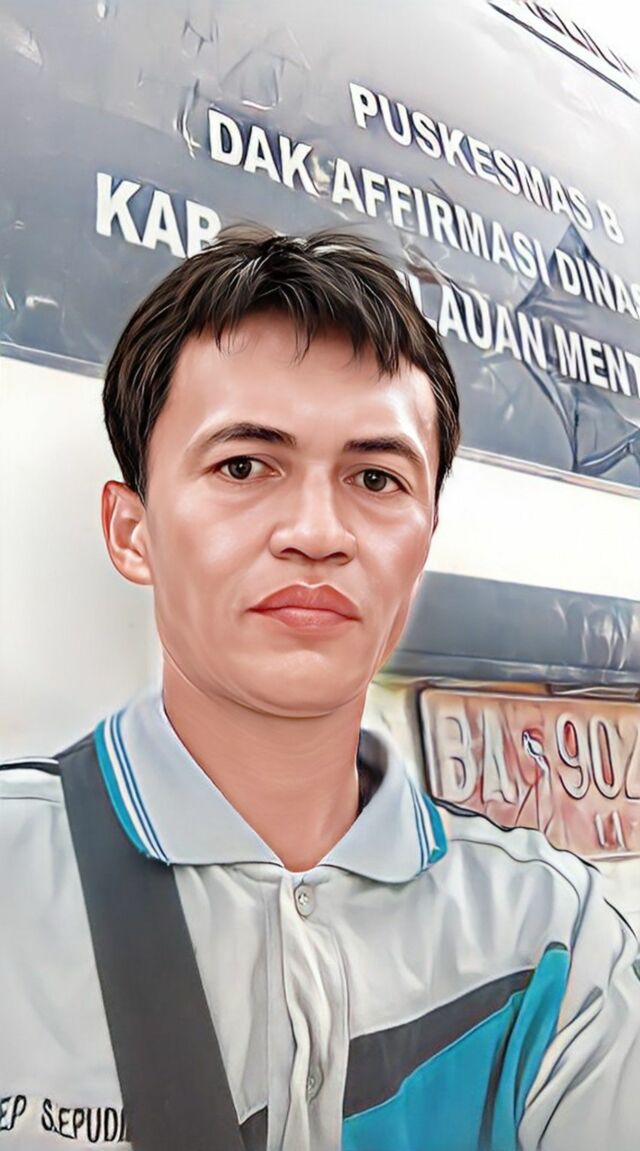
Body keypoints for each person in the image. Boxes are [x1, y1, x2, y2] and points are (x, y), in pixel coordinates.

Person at [1, 225, 638, 1151]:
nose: (317, 531)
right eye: (243, 465)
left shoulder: (558, 942)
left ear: (424, 539)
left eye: (375, 477)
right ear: (131, 530)